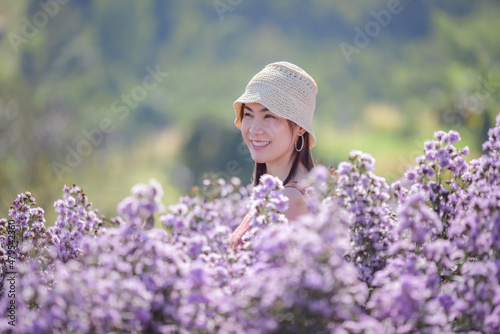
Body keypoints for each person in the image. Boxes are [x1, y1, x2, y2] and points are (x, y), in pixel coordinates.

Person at [228, 61, 318, 250]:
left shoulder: (291, 199)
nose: (254, 129)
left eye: (269, 116)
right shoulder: (285, 191)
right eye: (249, 114)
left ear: (300, 127)